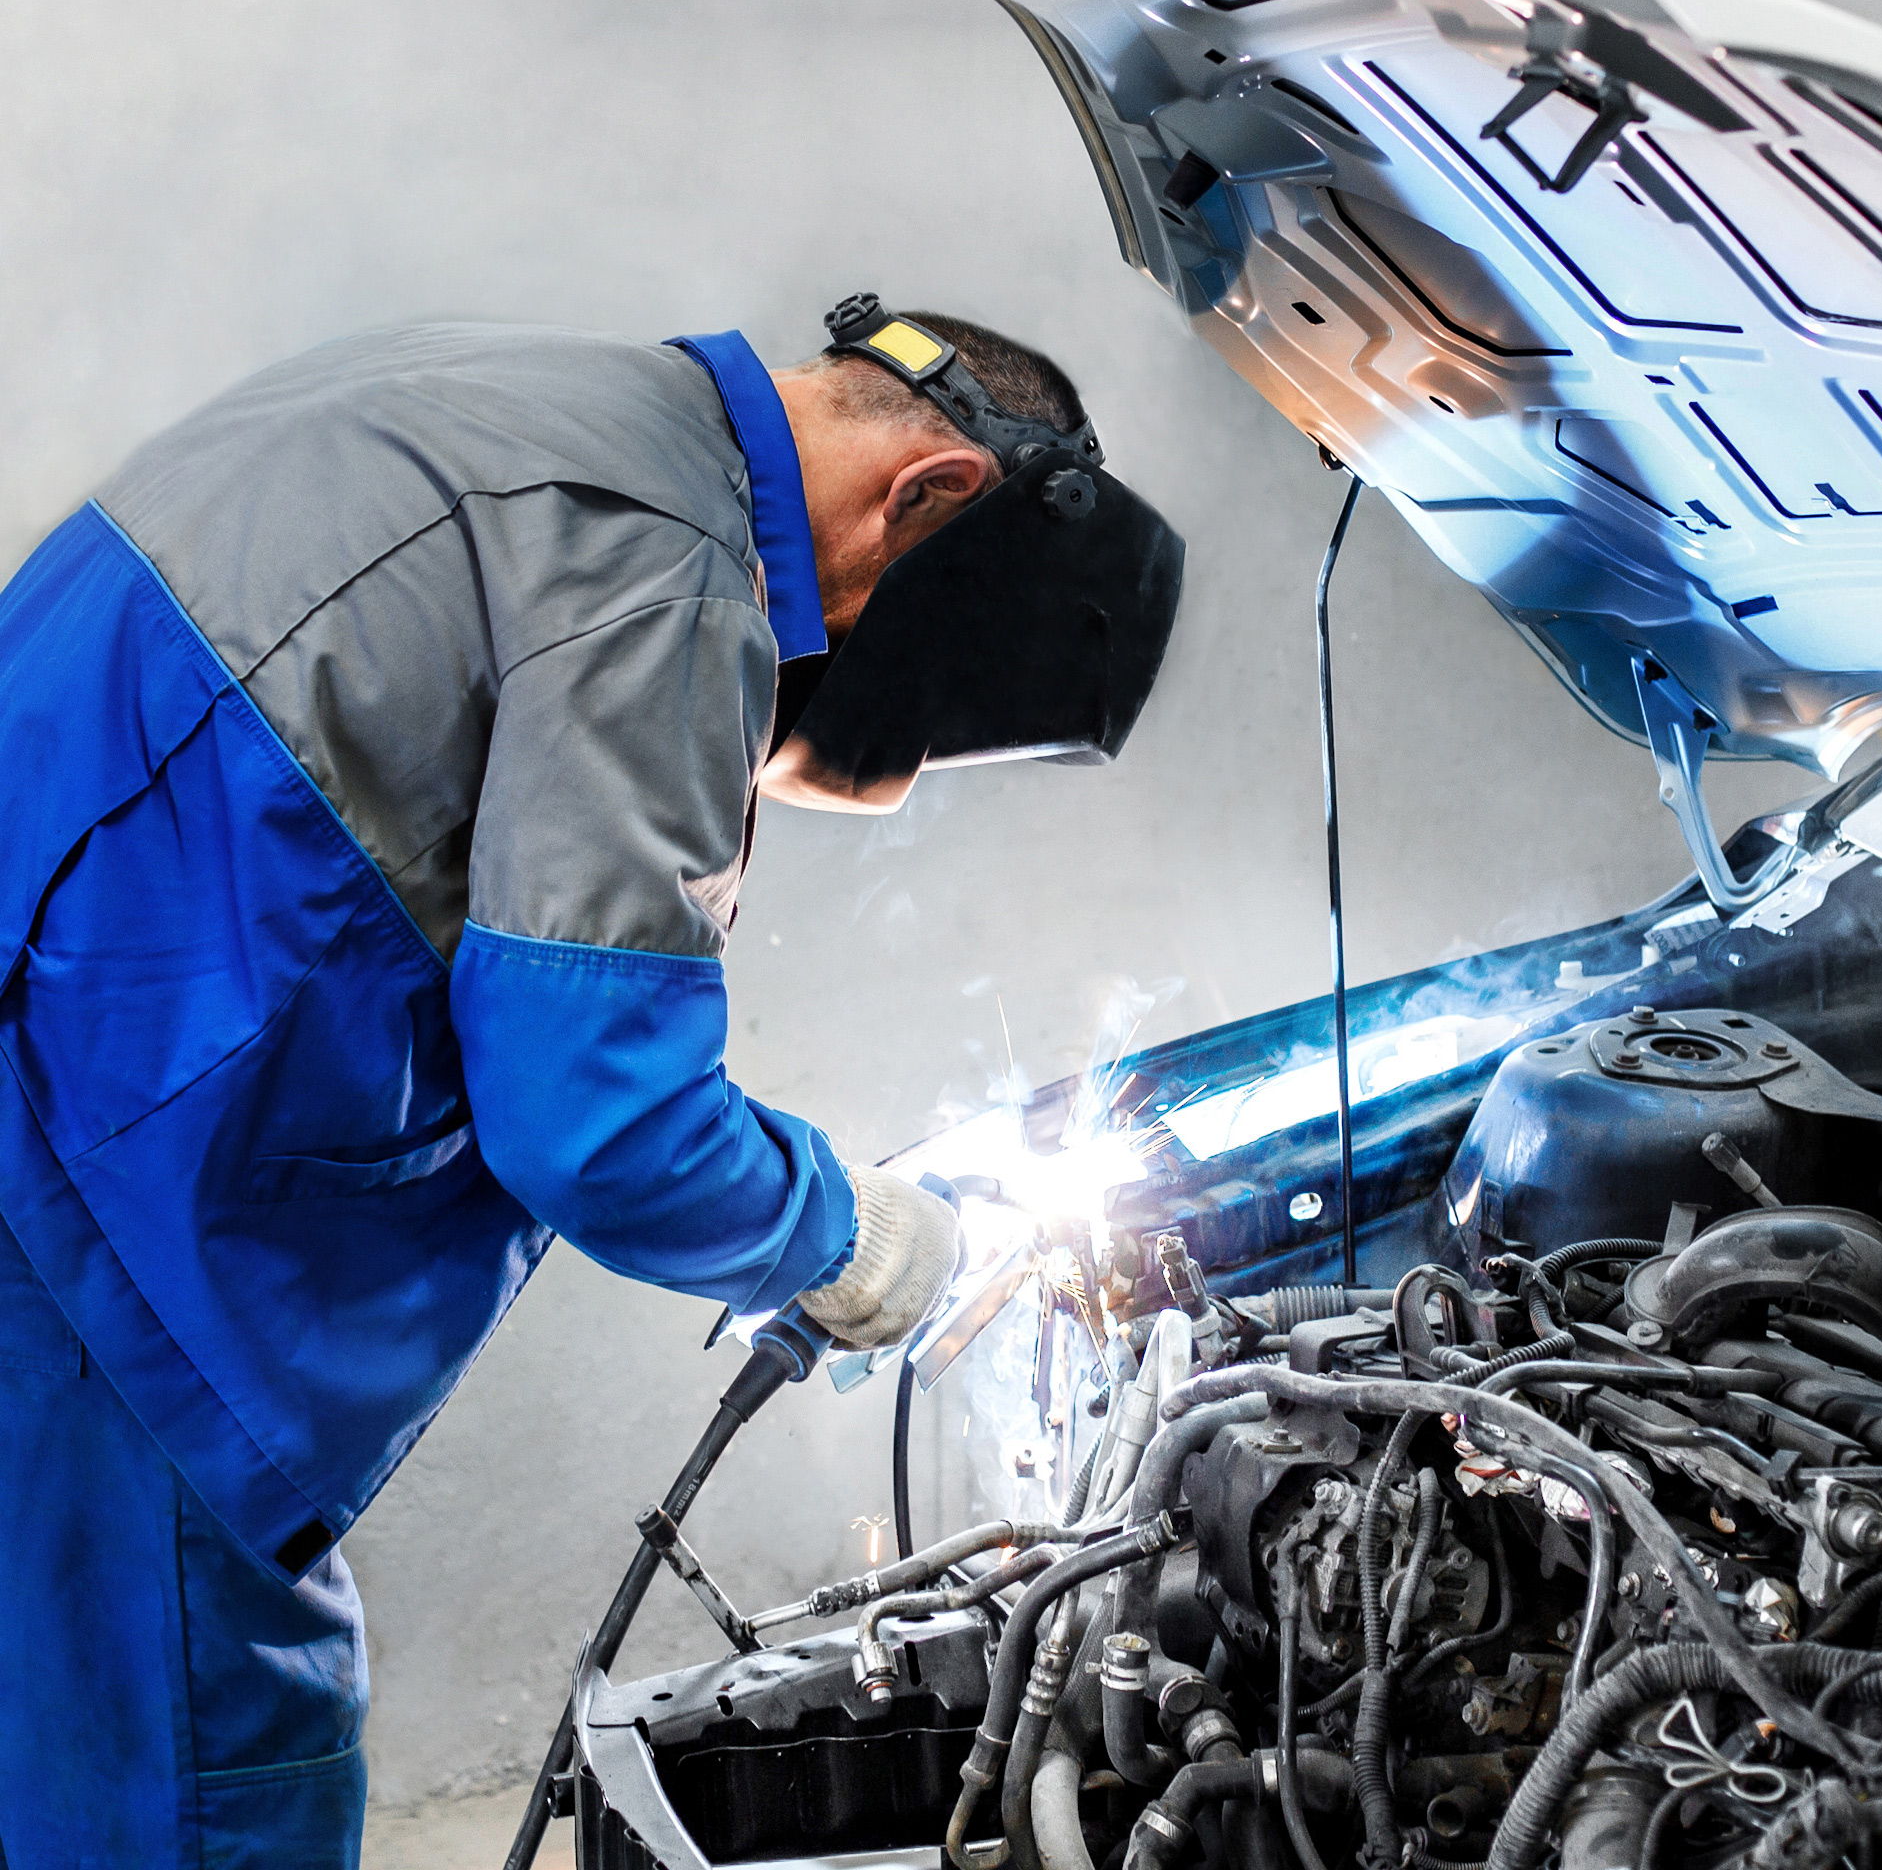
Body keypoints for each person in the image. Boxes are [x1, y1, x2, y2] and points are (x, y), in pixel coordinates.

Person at [0, 298, 1183, 1870]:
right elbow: (601, 1120)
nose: (801, 690)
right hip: (91, 1231)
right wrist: (864, 1245)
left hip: (58, 1121)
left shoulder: (510, 392)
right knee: (198, 1784)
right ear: (930, 494)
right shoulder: (672, 569)